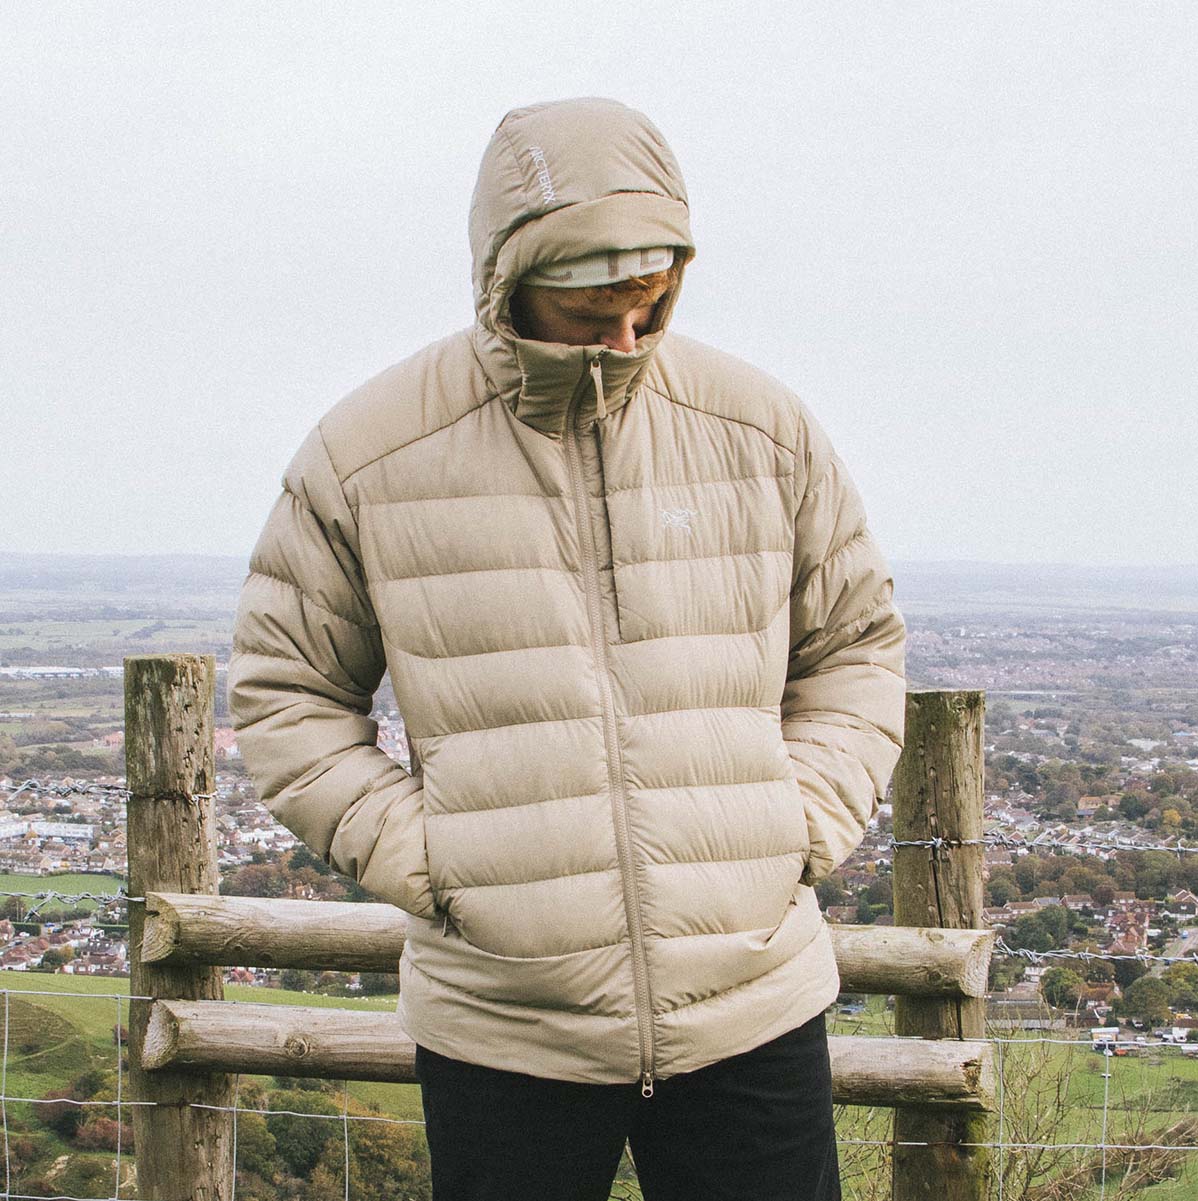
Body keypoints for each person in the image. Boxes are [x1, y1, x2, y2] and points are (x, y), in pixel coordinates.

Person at [229, 97, 906, 1201]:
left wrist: (796, 826)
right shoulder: (369, 455)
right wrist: (439, 863)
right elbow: (285, 696)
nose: (627, 342)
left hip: (753, 1007)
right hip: (503, 1025)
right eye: (592, 312)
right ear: (506, 278)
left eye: (651, 305)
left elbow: (857, 650)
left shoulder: (762, 431)